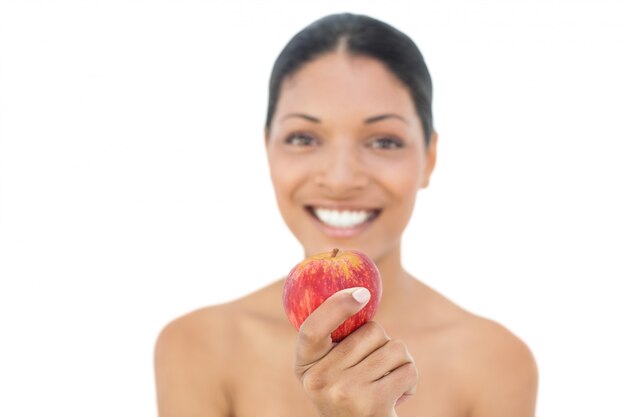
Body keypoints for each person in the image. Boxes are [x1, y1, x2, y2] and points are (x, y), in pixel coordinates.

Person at [154, 12, 538, 417]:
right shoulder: (195, 346)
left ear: (429, 157)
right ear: (268, 149)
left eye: (383, 141)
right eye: (304, 138)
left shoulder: (497, 363)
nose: (339, 179)